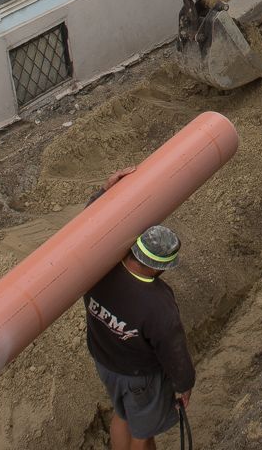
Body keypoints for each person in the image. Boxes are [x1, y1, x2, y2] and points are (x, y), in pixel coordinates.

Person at [82, 168, 194, 450]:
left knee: (123, 416)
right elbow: (172, 348)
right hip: (139, 378)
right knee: (143, 433)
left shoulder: (101, 267)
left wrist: (106, 193)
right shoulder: (157, 303)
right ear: (160, 267)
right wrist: (184, 383)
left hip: (106, 363)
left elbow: (87, 227)